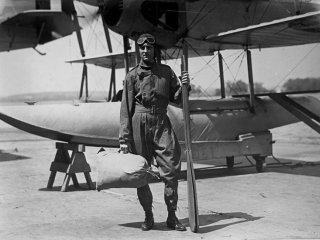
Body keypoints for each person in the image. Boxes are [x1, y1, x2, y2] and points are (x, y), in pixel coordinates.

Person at [119, 33, 190, 231]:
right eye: (141, 48)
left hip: (161, 122)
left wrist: (184, 86)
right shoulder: (132, 75)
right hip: (138, 124)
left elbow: (176, 97)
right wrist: (124, 138)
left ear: (154, 50)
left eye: (149, 48)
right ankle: (148, 215)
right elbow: (125, 108)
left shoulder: (166, 72)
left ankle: (172, 215)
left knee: (171, 169)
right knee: (141, 172)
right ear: (138, 50)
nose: (145, 51)